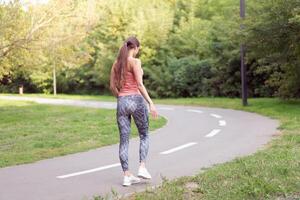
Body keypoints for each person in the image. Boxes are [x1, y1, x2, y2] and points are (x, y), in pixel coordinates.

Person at [109, 36, 158, 187]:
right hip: (136, 101)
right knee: (144, 134)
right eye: (138, 49)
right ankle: (142, 167)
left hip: (122, 102)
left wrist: (122, 98)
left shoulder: (116, 64)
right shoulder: (135, 62)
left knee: (124, 140)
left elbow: (112, 87)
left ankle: (126, 175)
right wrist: (151, 103)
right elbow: (140, 85)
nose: (138, 52)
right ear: (135, 48)